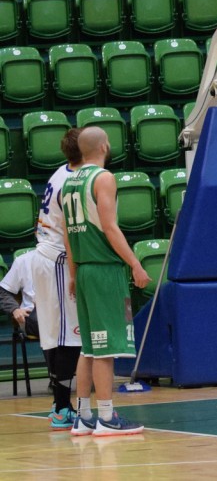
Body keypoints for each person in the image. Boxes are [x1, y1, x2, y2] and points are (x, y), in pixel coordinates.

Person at [63, 127, 151, 437]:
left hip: (84, 269)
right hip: (103, 269)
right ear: (103, 146)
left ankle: (84, 416)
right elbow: (110, 228)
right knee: (105, 348)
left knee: (88, 347)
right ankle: (107, 417)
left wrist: (73, 274)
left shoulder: (69, 182)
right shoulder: (103, 178)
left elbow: (66, 236)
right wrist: (135, 263)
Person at [29, 128, 84, 430]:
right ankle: (62, 407)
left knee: (54, 334)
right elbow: (71, 233)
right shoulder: (72, 181)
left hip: (45, 256)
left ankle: (59, 405)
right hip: (59, 261)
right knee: (69, 336)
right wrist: (75, 273)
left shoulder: (59, 172)